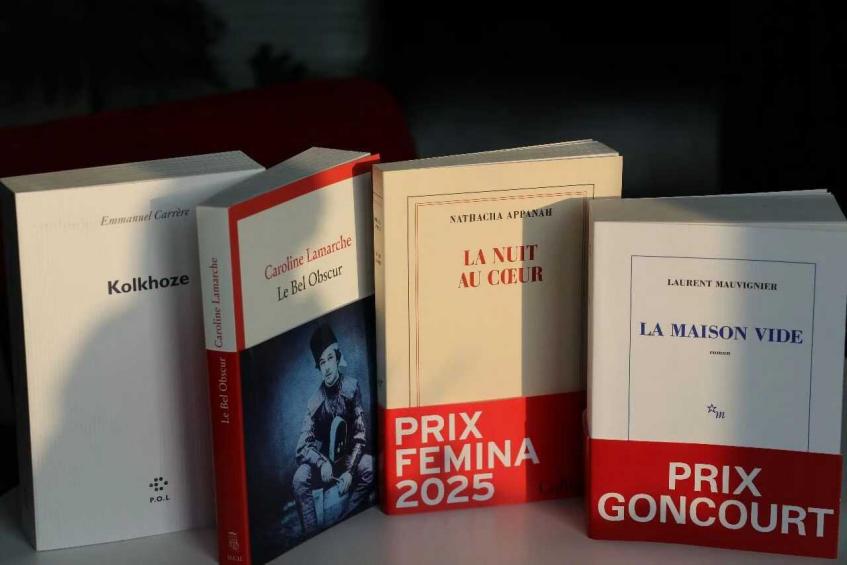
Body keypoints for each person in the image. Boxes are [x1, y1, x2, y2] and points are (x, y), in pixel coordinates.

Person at [291, 323, 373, 536]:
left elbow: (360, 434)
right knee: (299, 478)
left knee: (370, 466)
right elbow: (301, 448)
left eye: (330, 359)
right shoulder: (315, 402)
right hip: (325, 464)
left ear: (337, 359)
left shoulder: (352, 388)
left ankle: (344, 521)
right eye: (322, 362)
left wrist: (350, 471)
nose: (327, 367)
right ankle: (311, 536)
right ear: (318, 368)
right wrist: (321, 462)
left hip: (348, 458)